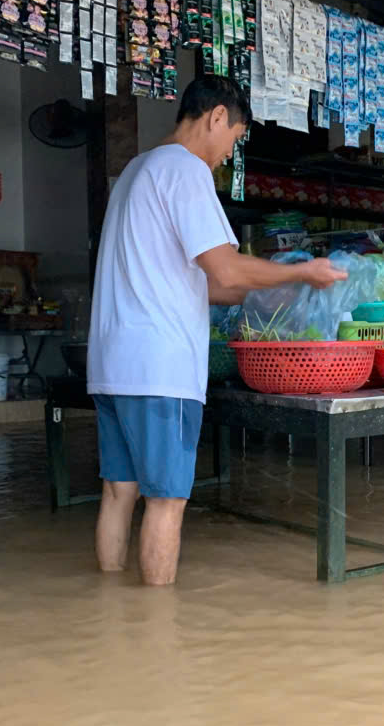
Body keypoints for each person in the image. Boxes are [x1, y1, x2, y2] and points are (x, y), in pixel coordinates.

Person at [87, 75, 346, 586]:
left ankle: (110, 619)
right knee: (167, 501)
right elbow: (226, 270)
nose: (228, 154)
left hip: (112, 366)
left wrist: (280, 287)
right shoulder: (185, 171)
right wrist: (301, 272)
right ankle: (156, 635)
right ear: (217, 117)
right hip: (160, 369)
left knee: (119, 492)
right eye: (234, 139)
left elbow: (204, 286)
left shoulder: (136, 173)